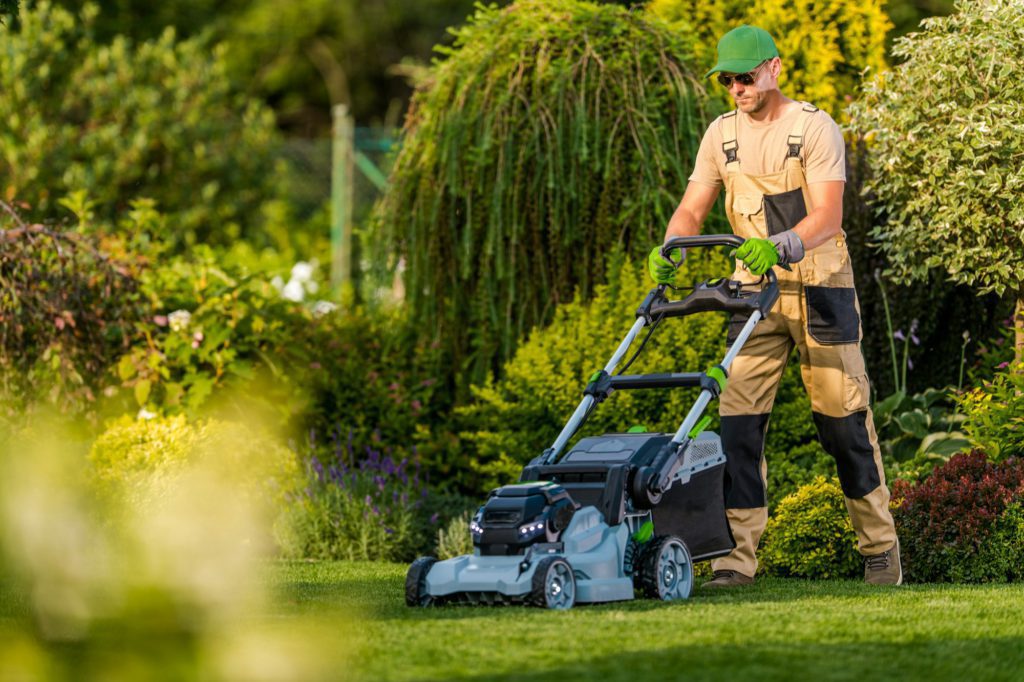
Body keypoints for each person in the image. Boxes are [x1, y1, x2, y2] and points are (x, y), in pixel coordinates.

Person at [648, 25, 901, 587]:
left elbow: (828, 217)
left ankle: (881, 549)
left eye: (746, 76)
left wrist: (781, 244)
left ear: (774, 68)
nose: (737, 88)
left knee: (843, 425)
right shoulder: (721, 135)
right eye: (729, 80)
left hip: (818, 285)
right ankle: (736, 560)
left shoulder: (813, 127)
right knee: (737, 425)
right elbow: (692, 208)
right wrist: (672, 248)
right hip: (752, 289)